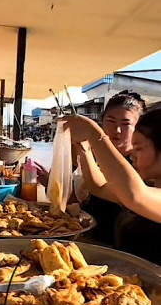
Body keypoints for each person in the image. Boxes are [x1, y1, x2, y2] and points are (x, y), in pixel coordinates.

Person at [36, 91, 146, 243]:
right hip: (87, 239)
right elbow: (88, 193)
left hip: (121, 251)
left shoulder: (143, 166)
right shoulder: (94, 155)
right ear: (102, 122)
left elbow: (128, 193)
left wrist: (92, 135)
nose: (117, 130)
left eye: (126, 124)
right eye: (111, 121)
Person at [62, 108, 161, 262]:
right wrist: (84, 148)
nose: (133, 155)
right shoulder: (147, 187)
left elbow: (134, 195)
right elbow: (98, 186)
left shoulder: (140, 193)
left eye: (139, 148)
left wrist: (95, 135)